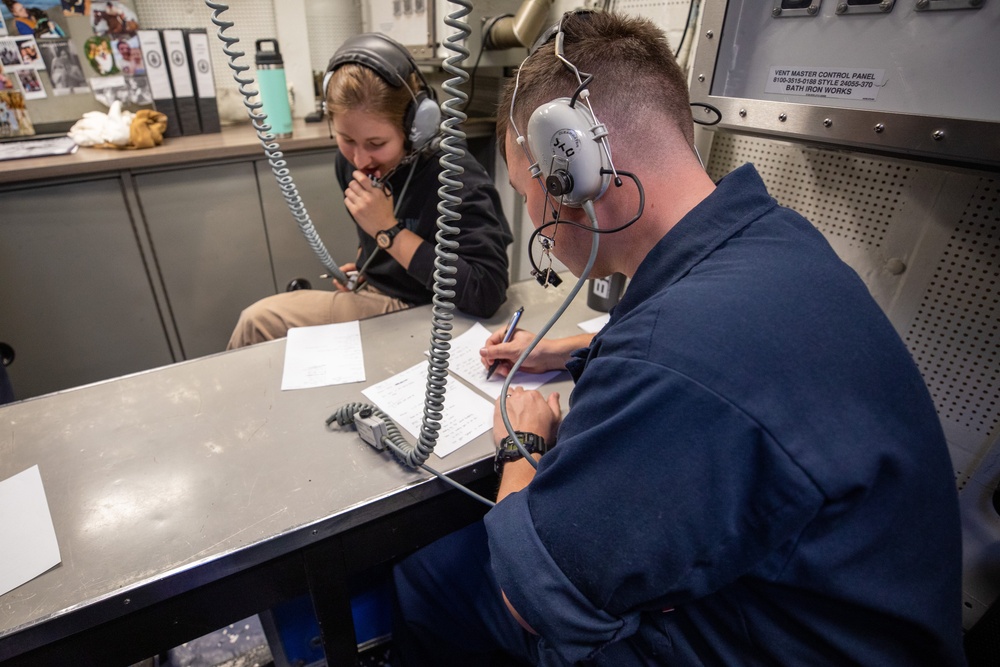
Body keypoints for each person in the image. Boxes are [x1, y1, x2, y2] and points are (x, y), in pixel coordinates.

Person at [391, 10, 965, 667]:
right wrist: (577, 352)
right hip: (847, 618)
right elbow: (732, 378)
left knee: (431, 581)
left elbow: (529, 594)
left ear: (572, 175)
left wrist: (521, 446)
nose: (537, 221)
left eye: (529, 192)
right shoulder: (773, 238)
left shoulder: (672, 356)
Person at [227, 33, 512, 348]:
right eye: (347, 139)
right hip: (382, 294)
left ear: (416, 126)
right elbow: (376, 239)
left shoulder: (456, 178)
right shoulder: (349, 163)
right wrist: (370, 266)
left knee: (257, 322)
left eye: (377, 144)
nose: (360, 160)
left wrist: (387, 231)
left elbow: (487, 292)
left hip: (432, 315)